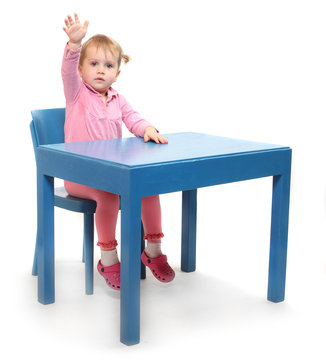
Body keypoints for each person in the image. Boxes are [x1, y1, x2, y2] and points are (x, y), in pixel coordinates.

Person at [62, 13, 175, 290]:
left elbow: (133, 118)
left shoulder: (117, 99)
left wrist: (146, 128)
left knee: (149, 188)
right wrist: (73, 46)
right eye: (93, 64)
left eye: (108, 65)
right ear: (81, 69)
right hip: (79, 177)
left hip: (112, 174)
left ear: (117, 73)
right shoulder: (76, 94)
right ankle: (109, 259)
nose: (101, 70)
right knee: (108, 196)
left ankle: (153, 251)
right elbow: (66, 70)